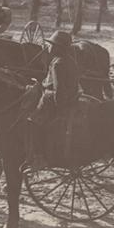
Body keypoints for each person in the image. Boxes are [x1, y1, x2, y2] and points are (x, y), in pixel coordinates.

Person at [26, 30, 81, 169]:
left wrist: (58, 107)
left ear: (58, 47)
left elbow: (59, 89)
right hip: (72, 96)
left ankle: (39, 157)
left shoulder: (58, 64)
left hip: (53, 99)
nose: (49, 47)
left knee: (33, 121)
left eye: (51, 44)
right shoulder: (70, 60)